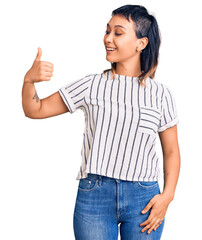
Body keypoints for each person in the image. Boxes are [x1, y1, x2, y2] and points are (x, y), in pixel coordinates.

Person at [22, 4, 181, 240]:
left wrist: (167, 197)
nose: (107, 38)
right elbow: (35, 109)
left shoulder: (161, 94)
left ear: (141, 43)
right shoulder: (91, 85)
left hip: (144, 199)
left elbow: (171, 151)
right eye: (107, 31)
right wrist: (28, 81)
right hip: (94, 195)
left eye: (118, 33)